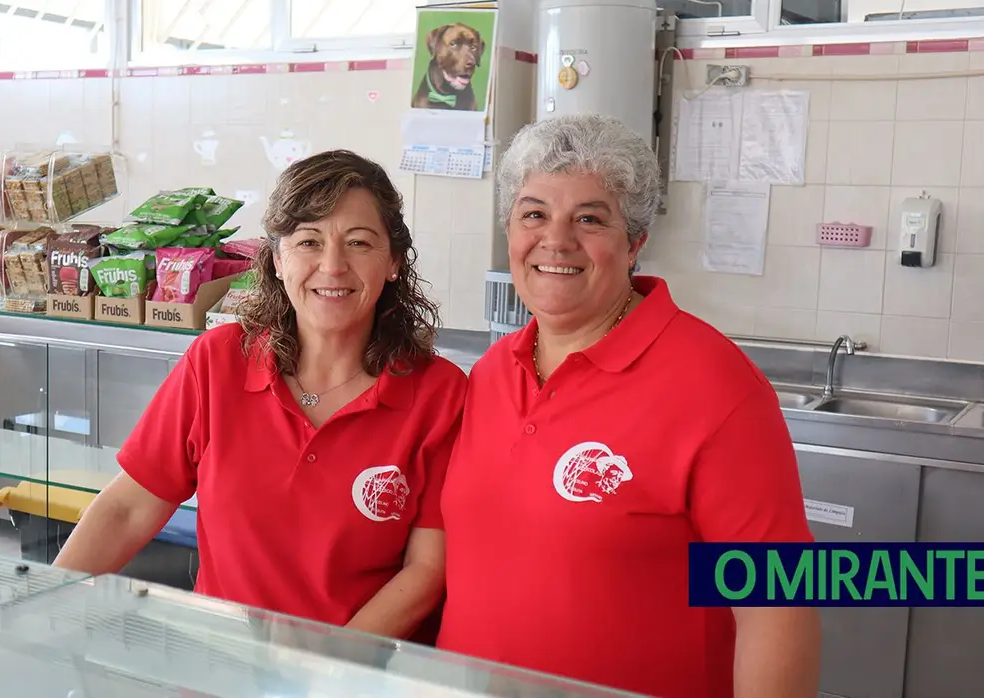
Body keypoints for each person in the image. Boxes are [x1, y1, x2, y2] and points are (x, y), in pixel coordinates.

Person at [435, 114, 821, 698]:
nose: (556, 240)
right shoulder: (491, 374)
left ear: (635, 241)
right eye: (534, 213)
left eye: (589, 219)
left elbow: (779, 605)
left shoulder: (713, 386)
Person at [54, 149, 466, 642]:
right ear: (276, 258)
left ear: (394, 261)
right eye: (308, 241)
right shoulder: (218, 362)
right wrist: (43, 604)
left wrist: (327, 673)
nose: (332, 266)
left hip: (359, 678)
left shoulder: (438, 393)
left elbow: (426, 571)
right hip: (223, 669)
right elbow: (127, 510)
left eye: (359, 243)